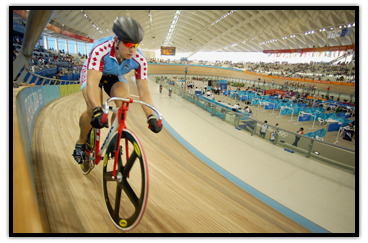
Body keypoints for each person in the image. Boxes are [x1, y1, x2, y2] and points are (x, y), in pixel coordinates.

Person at [72, 16, 162, 164]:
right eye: (127, 44)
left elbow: (144, 90)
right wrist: (96, 109)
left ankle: (114, 139)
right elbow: (93, 83)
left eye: (136, 45)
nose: (132, 50)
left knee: (123, 102)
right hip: (94, 73)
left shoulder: (139, 60)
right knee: (92, 108)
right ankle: (80, 142)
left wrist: (150, 116)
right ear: (116, 41)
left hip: (114, 76)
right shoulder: (100, 49)